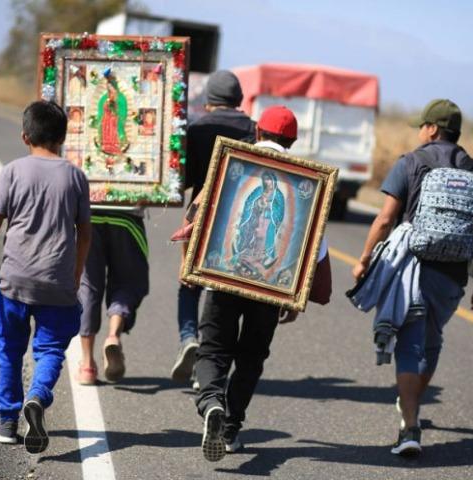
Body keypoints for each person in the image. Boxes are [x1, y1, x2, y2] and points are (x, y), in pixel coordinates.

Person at [351, 99, 473, 456]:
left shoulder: (411, 162)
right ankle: (410, 404)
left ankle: (410, 428)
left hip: (412, 267)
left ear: (432, 128)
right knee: (430, 341)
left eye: (422, 126)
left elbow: (385, 220)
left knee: (409, 344)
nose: (420, 132)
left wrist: (365, 258)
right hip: (451, 276)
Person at [188, 105, 331, 462]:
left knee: (213, 350)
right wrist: (294, 294)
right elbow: (317, 269)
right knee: (251, 359)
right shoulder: (307, 186)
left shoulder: (230, 169)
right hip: (270, 289)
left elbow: (201, 216)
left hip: (224, 279)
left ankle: (210, 404)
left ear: (257, 134)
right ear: (293, 141)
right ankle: (231, 428)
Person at [0, 101, 91, 453]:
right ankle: (37, 395)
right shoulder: (76, 176)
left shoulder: (13, 171)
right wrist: (75, 275)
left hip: (14, 281)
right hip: (57, 283)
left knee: (10, 350)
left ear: (24, 136)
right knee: (49, 350)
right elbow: (85, 233)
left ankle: (7, 420)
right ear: (63, 137)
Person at [171, 70, 255, 386]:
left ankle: (189, 336)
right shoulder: (254, 130)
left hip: (199, 217)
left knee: (189, 281)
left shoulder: (197, 129)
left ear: (209, 101)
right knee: (223, 293)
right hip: (241, 223)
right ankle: (206, 365)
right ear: (239, 99)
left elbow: (184, 182)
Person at [74, 206, 150, 384]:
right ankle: (113, 336)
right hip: (127, 217)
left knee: (88, 287)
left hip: (89, 214)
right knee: (127, 282)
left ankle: (87, 366)